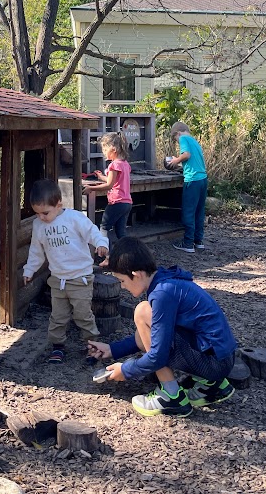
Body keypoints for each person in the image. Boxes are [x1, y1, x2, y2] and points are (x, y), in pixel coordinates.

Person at [88, 237, 237, 418]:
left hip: (214, 364)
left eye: (122, 281)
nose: (122, 286)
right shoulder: (165, 282)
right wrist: (113, 350)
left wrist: (126, 370)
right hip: (221, 359)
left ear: (137, 275)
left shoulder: (162, 294)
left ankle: (170, 396)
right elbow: (151, 335)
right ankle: (213, 387)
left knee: (142, 312)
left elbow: (158, 355)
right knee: (147, 321)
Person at [23, 178, 109, 364]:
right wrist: (29, 270)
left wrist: (101, 243)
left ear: (59, 204)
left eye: (45, 212)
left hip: (81, 278)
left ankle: (93, 346)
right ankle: (58, 347)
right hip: (58, 279)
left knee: (83, 315)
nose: (42, 217)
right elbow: (36, 251)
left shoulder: (75, 218)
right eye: (37, 214)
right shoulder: (39, 226)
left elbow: (92, 232)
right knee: (58, 317)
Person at [167, 120, 207, 253]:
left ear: (177, 133)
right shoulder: (195, 141)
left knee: (188, 211)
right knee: (199, 211)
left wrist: (175, 160)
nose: (177, 142)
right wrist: (180, 164)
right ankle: (198, 241)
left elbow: (186, 155)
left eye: (175, 139)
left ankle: (188, 243)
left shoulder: (183, 138)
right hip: (203, 179)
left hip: (193, 180)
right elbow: (192, 160)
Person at [85, 131, 133, 245]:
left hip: (117, 202)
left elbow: (109, 185)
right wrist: (101, 176)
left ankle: (107, 256)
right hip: (127, 203)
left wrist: (91, 188)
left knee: (104, 228)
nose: (103, 152)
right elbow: (112, 180)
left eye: (105, 149)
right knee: (121, 233)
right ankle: (128, 255)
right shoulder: (125, 164)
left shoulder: (114, 165)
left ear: (113, 149)